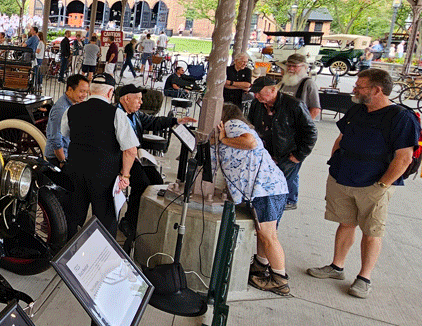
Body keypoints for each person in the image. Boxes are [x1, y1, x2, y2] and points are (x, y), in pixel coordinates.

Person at [308, 69, 417, 299]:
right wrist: (334, 165)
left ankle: (364, 278)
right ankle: (337, 267)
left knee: (372, 231)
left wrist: (382, 185)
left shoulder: (400, 117)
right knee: (346, 223)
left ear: (377, 90)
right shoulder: (357, 109)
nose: (354, 89)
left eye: (360, 86)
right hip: (343, 177)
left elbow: (404, 158)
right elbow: (341, 138)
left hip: (373, 184)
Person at [212, 103, 292, 295]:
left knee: (268, 235)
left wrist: (223, 139)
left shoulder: (231, 125)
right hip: (269, 187)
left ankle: (280, 280)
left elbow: (250, 143)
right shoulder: (236, 126)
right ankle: (260, 265)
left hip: (264, 189)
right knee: (263, 232)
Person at [115, 84, 195, 249]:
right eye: (137, 98)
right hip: (122, 159)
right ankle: (128, 221)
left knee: (156, 180)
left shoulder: (135, 114)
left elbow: (152, 121)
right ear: (125, 99)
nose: (141, 102)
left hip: (136, 157)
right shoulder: (116, 114)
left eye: (141, 99)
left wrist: (176, 120)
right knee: (142, 184)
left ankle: (140, 216)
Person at [60, 73, 140, 235]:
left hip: (75, 171)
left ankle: (66, 254)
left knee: (72, 218)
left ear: (90, 91)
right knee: (104, 222)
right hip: (104, 176)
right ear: (110, 93)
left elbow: (65, 133)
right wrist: (125, 175)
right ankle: (101, 256)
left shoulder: (72, 110)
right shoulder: (116, 114)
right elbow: (130, 150)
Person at [247, 76, 317, 212]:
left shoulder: (294, 105)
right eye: (254, 93)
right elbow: (251, 123)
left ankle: (283, 205)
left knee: (282, 186)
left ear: (273, 90)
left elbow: (311, 132)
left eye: (259, 93)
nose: (256, 96)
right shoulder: (257, 104)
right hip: (266, 152)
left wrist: (299, 154)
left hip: (287, 153)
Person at [45, 74, 89, 167]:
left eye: (86, 92)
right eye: (81, 91)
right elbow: (56, 138)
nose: (84, 95)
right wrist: (63, 161)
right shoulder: (61, 109)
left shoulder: (72, 104)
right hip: (57, 158)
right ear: (70, 89)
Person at [280, 53, 321, 120]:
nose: (290, 68)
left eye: (294, 66)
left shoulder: (308, 83)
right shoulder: (285, 80)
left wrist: (306, 126)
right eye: (288, 65)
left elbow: (315, 109)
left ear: (305, 67)